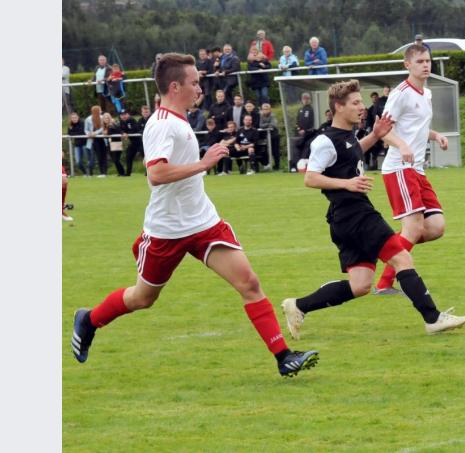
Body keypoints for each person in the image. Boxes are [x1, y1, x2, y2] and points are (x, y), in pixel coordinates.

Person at [70, 52, 319, 377]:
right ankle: (88, 320)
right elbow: (156, 174)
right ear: (175, 87)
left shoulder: (180, 119)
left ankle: (284, 357)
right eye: (195, 83)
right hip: (166, 230)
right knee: (143, 298)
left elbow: (178, 167)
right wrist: (204, 163)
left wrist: (204, 158)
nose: (200, 88)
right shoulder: (160, 125)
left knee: (249, 282)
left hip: (203, 222)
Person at [280, 79, 465, 338]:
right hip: (355, 214)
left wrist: (376, 135)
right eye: (355, 103)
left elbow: (353, 151)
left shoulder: (346, 137)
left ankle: (298, 306)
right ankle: (433, 318)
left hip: (345, 219)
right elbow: (310, 177)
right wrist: (346, 183)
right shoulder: (324, 140)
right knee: (402, 258)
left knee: (359, 285)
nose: (362, 107)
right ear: (338, 107)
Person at [373, 44, 451, 295]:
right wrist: (401, 145)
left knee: (436, 226)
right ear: (407, 65)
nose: (425, 65)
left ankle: (390, 249)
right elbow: (383, 130)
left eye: (428, 60)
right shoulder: (400, 94)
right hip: (399, 168)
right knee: (415, 228)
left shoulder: (425, 94)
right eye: (419, 61)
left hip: (416, 169)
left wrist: (435, 135)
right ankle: (386, 282)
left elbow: (415, 128)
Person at [291, 92, 315, 172]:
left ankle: (305, 166)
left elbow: (309, 122)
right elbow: (297, 121)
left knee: (306, 149)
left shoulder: (310, 109)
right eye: (304, 98)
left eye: (307, 98)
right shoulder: (300, 110)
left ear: (310, 100)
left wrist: (305, 130)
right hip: (300, 134)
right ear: (301, 100)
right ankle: (295, 166)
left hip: (308, 134)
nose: (305, 100)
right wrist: (299, 129)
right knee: (296, 148)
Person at [67, 112, 93, 177]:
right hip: (77, 145)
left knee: (88, 160)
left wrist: (74, 132)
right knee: (78, 162)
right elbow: (70, 134)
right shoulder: (70, 125)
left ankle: (90, 173)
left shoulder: (83, 123)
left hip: (85, 144)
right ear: (71, 119)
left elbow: (82, 132)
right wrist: (75, 133)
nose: (74, 119)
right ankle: (85, 173)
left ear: (78, 117)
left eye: (75, 117)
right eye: (72, 118)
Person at [119, 109, 143, 176]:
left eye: (125, 114)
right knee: (128, 157)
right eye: (122, 115)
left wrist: (127, 133)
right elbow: (120, 129)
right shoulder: (121, 122)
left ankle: (149, 172)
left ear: (128, 114)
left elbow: (135, 129)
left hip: (139, 142)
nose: (124, 116)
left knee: (145, 157)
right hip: (132, 143)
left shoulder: (132, 120)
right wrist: (123, 133)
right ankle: (128, 173)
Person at [85, 105, 107, 177]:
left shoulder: (102, 118)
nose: (101, 111)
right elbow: (86, 129)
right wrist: (89, 134)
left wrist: (95, 133)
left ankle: (103, 172)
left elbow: (102, 128)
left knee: (102, 156)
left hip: (101, 139)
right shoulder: (88, 119)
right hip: (92, 140)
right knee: (92, 158)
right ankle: (89, 173)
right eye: (99, 110)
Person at [259, 102, 281, 170]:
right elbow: (260, 125)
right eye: (264, 109)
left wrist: (265, 125)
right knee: (266, 151)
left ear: (270, 109)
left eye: (266, 109)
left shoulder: (272, 115)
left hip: (275, 136)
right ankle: (267, 165)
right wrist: (268, 125)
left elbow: (273, 125)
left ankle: (277, 165)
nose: (265, 110)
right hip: (267, 136)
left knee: (275, 151)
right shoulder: (261, 116)